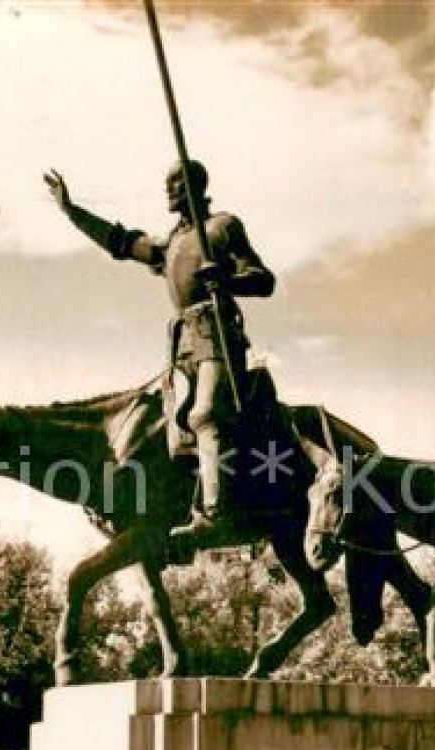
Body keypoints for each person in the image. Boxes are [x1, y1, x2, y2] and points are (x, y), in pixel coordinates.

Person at [44, 160, 276, 545]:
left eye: (176, 184)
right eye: (167, 184)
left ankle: (215, 514)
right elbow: (119, 242)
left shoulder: (221, 226)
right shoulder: (170, 244)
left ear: (195, 187)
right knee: (167, 425)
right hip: (181, 340)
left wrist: (227, 279)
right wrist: (71, 211)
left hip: (216, 333)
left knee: (205, 416)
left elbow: (263, 280)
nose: (168, 191)